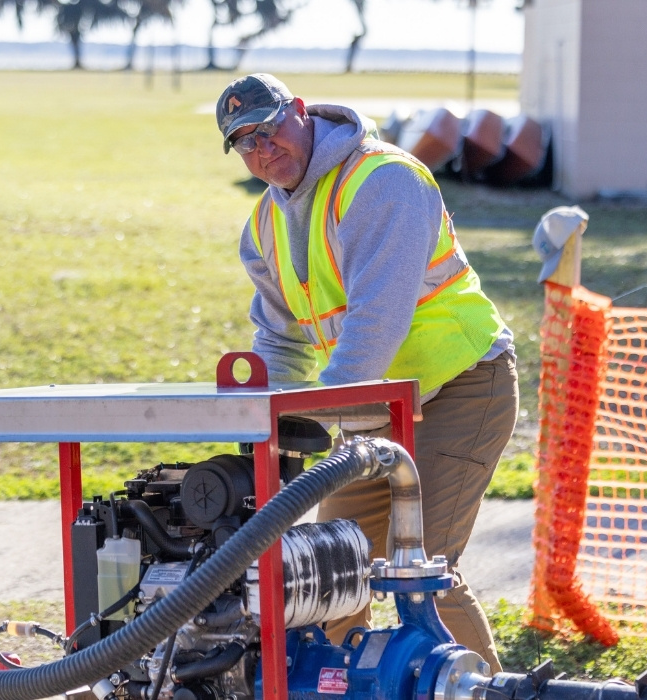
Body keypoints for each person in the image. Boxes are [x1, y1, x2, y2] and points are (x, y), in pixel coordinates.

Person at [216, 73, 517, 671]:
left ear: (300, 111)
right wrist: (268, 435)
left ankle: (486, 688)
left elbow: (375, 325)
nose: (263, 148)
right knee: (334, 575)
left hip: (460, 387)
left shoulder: (383, 181)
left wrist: (314, 417)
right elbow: (280, 339)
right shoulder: (263, 225)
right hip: (371, 409)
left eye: (270, 128)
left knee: (424, 573)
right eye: (245, 141)